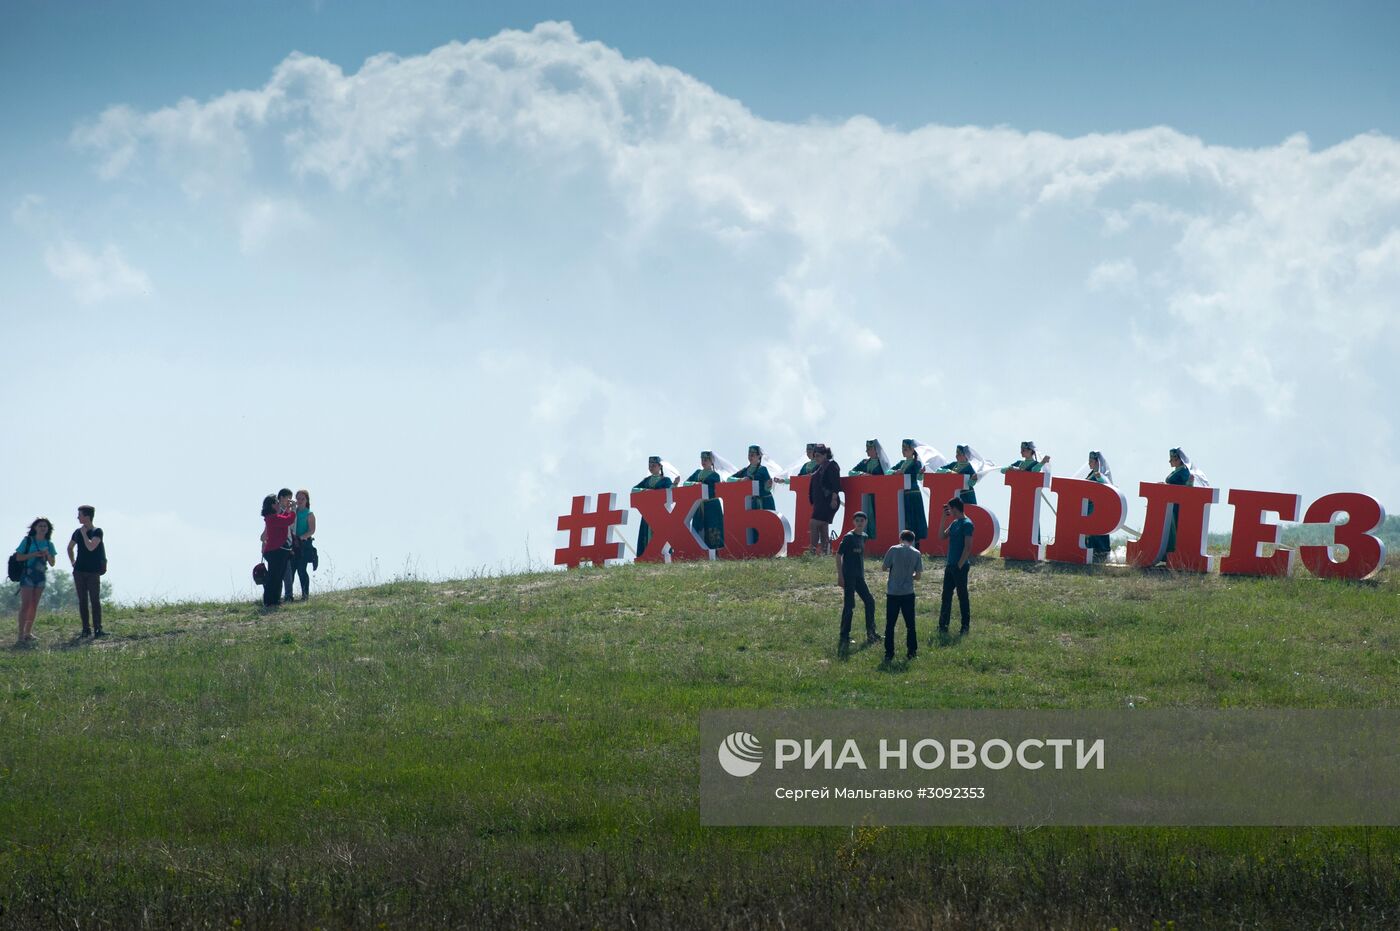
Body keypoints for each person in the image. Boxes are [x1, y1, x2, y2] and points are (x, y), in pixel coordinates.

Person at [834, 512, 879, 657]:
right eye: (857, 520)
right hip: (848, 577)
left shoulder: (864, 536)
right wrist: (840, 576)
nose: (859, 523)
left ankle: (871, 634)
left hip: (859, 577)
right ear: (853, 522)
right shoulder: (848, 537)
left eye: (862, 520)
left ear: (866, 522)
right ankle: (844, 636)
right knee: (849, 605)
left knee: (870, 601)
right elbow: (838, 555)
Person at [13, 518, 57, 646]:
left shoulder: (49, 544)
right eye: (40, 526)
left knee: (34, 605)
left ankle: (28, 633)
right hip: (28, 575)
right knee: (25, 605)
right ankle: (20, 635)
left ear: (48, 529)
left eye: (45, 526)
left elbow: (52, 563)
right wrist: (34, 554)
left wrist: (47, 554)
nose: (43, 528)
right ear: (35, 528)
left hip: (41, 576)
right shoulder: (28, 541)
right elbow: (18, 557)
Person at [1160, 447, 1209, 564]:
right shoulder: (1178, 470)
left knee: (1173, 530)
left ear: (1178, 459)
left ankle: (1171, 556)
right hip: (1172, 504)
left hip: (1177, 506)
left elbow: (1178, 486)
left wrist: (1166, 486)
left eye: (1172, 458)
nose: (1170, 461)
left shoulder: (1183, 471)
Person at [881, 529, 923, 662]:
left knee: (890, 624)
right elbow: (918, 577)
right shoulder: (916, 553)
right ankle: (912, 651)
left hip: (893, 592)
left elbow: (884, 567)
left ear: (900, 538)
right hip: (908, 593)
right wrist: (910, 574)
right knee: (910, 624)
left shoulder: (893, 549)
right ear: (913, 540)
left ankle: (889, 653)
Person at [66, 505, 107, 637]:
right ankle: (85, 630)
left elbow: (90, 547)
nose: (78, 517)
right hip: (79, 571)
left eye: (80, 515)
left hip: (93, 572)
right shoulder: (76, 532)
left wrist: (84, 534)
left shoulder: (97, 531)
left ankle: (98, 629)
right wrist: (73, 562)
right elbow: (69, 548)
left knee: (95, 600)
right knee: (82, 601)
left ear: (87, 516)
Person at [938, 498, 975, 635]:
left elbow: (968, 547)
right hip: (950, 565)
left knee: (962, 596)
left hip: (960, 566)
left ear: (954, 508)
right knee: (946, 596)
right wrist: (943, 518)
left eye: (949, 508)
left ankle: (965, 627)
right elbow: (941, 536)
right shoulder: (954, 523)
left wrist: (959, 565)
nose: (948, 511)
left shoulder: (967, 524)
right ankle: (943, 626)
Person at [684, 451, 733, 550]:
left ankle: (716, 551)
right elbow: (685, 483)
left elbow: (713, 490)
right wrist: (694, 485)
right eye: (702, 459)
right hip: (698, 505)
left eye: (706, 459)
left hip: (712, 505)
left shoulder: (715, 475)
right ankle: (699, 551)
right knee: (697, 529)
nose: (703, 461)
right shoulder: (697, 473)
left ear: (711, 461)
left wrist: (702, 487)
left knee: (713, 528)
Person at [1073, 452, 1115, 562]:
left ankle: (1101, 554)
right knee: (1089, 531)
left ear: (1097, 462)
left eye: (1091, 461)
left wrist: (1099, 477)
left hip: (1097, 508)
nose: (1089, 463)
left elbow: (1105, 483)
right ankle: (1090, 553)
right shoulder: (1091, 473)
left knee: (1097, 530)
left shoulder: (1100, 474)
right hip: (1089, 506)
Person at [632, 456, 676, 557]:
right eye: (650, 465)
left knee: (660, 534)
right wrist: (645, 491)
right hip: (648, 512)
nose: (651, 467)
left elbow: (670, 492)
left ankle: (661, 555)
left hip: (660, 512)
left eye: (654, 465)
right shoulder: (646, 481)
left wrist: (675, 485)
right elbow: (634, 490)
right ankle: (646, 555)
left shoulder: (665, 480)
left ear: (660, 466)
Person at [847, 439, 890, 540]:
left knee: (879, 516)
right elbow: (850, 472)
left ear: (876, 449)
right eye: (867, 449)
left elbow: (888, 476)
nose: (867, 451)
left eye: (869, 449)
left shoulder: (882, 463)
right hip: (867, 495)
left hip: (880, 495)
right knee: (867, 516)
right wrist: (861, 474)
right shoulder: (864, 462)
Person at [260, 494, 297, 609]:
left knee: (277, 576)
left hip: (276, 551)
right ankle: (269, 601)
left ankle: (274, 600)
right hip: (275, 551)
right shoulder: (272, 518)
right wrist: (293, 510)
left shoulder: (272, 517)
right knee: (274, 577)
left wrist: (288, 509)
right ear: (272, 505)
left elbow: (284, 518)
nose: (278, 504)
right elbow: (288, 520)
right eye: (276, 502)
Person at [889, 439, 929, 542]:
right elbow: (887, 471)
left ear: (912, 450)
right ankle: (906, 540)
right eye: (902, 449)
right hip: (903, 494)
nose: (904, 451)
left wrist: (920, 473)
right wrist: (895, 472)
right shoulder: (901, 463)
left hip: (914, 493)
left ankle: (918, 542)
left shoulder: (917, 463)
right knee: (905, 517)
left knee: (915, 517)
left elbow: (919, 478)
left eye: (906, 449)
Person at [808, 444, 842, 555]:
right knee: (823, 526)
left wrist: (834, 499)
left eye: (818, 455)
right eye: (815, 456)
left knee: (814, 523)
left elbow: (836, 484)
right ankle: (825, 552)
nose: (816, 458)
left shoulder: (832, 466)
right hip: (820, 503)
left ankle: (812, 551)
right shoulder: (818, 467)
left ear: (825, 455)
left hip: (828, 502)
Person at [288, 489, 317, 600]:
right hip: (292, 544)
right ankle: (289, 595)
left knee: (301, 570)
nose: (300, 501)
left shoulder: (309, 514)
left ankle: (305, 595)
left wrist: (301, 537)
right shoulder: (293, 512)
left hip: (304, 545)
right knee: (291, 570)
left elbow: (312, 530)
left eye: (302, 499)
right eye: (298, 498)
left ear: (306, 500)